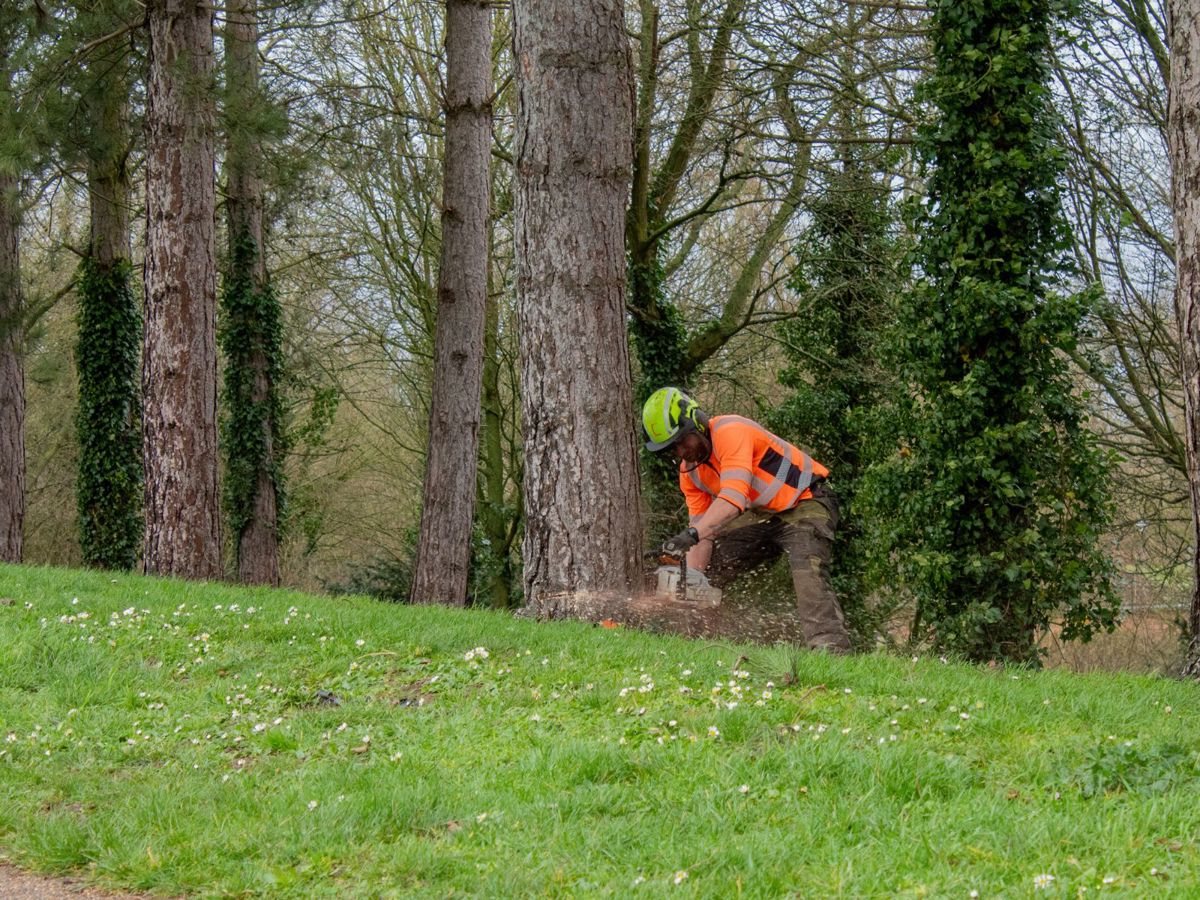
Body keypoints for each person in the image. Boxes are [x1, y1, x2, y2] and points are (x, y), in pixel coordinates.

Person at [642, 386, 852, 653]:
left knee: (806, 566)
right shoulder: (690, 473)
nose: (682, 451)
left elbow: (733, 499)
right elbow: (703, 530)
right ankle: (703, 644)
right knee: (712, 567)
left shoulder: (731, 432)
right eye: (674, 448)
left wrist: (689, 536)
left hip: (807, 501)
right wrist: (693, 577)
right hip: (766, 517)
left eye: (682, 441)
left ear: (695, 422)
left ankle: (830, 649)